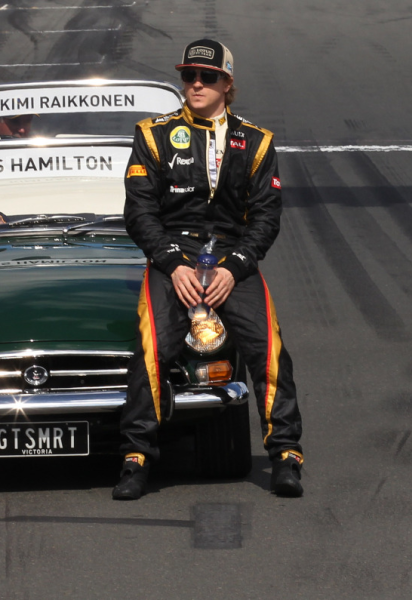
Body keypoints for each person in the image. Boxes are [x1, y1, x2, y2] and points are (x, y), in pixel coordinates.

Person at [116, 39, 305, 500]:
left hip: (231, 260)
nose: (196, 84)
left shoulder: (256, 142)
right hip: (174, 258)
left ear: (228, 84)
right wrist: (172, 264)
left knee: (268, 346)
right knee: (151, 345)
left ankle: (286, 455)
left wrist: (236, 266)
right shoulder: (153, 134)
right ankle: (136, 457)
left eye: (208, 77)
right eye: (188, 76)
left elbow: (266, 216)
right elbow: (139, 212)